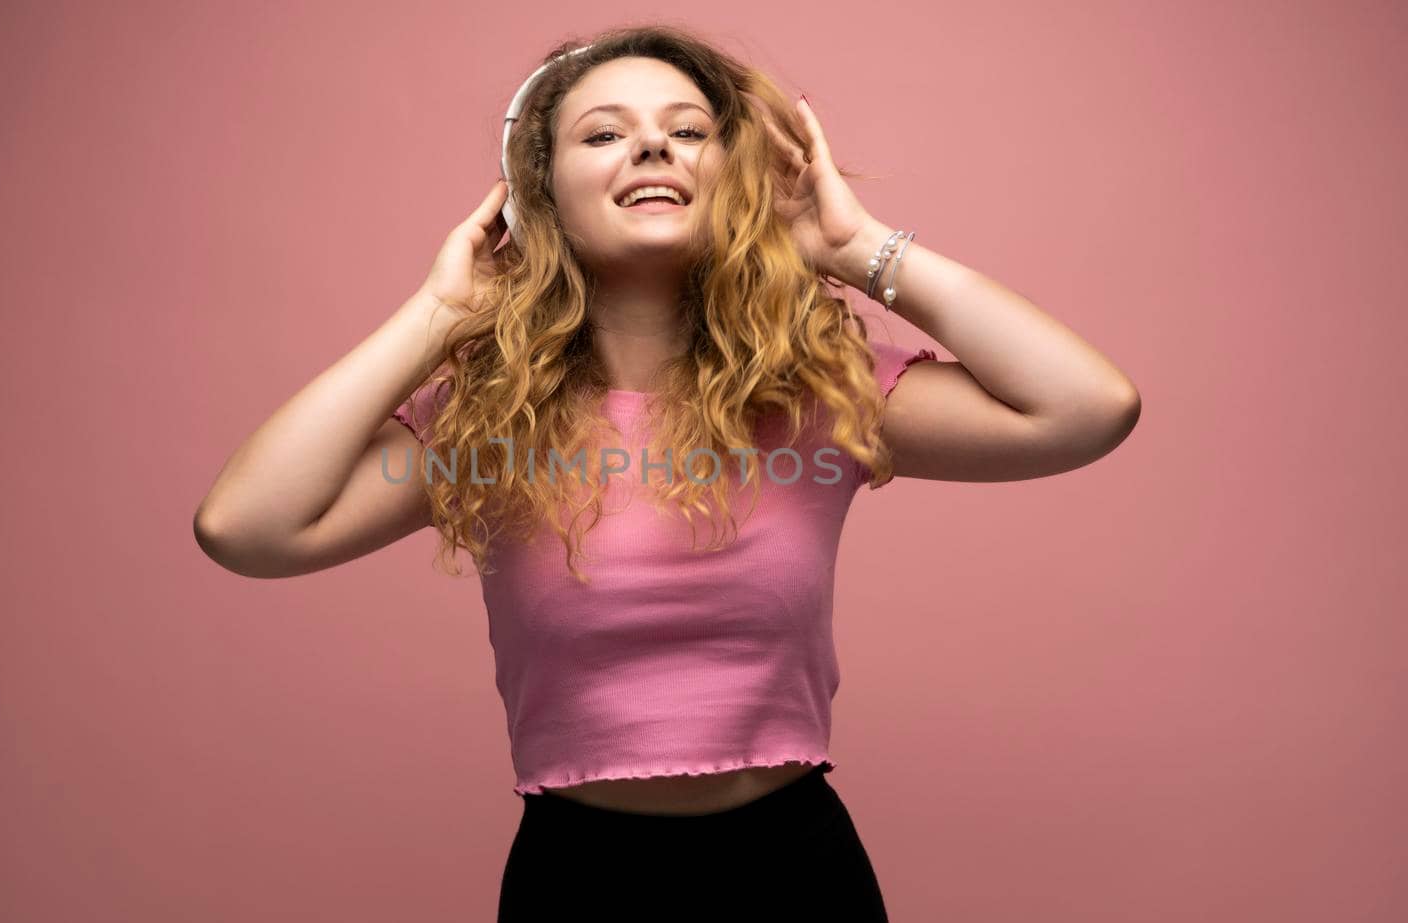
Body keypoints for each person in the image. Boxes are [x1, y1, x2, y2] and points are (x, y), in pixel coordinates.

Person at [193, 23, 1140, 922]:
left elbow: (1086, 408)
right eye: (605, 133)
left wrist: (858, 252)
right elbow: (247, 527)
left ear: (730, 178)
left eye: (689, 131)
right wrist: (441, 312)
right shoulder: (487, 420)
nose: (654, 149)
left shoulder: (823, 393)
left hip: (795, 872)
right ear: (538, 194)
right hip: (575, 879)